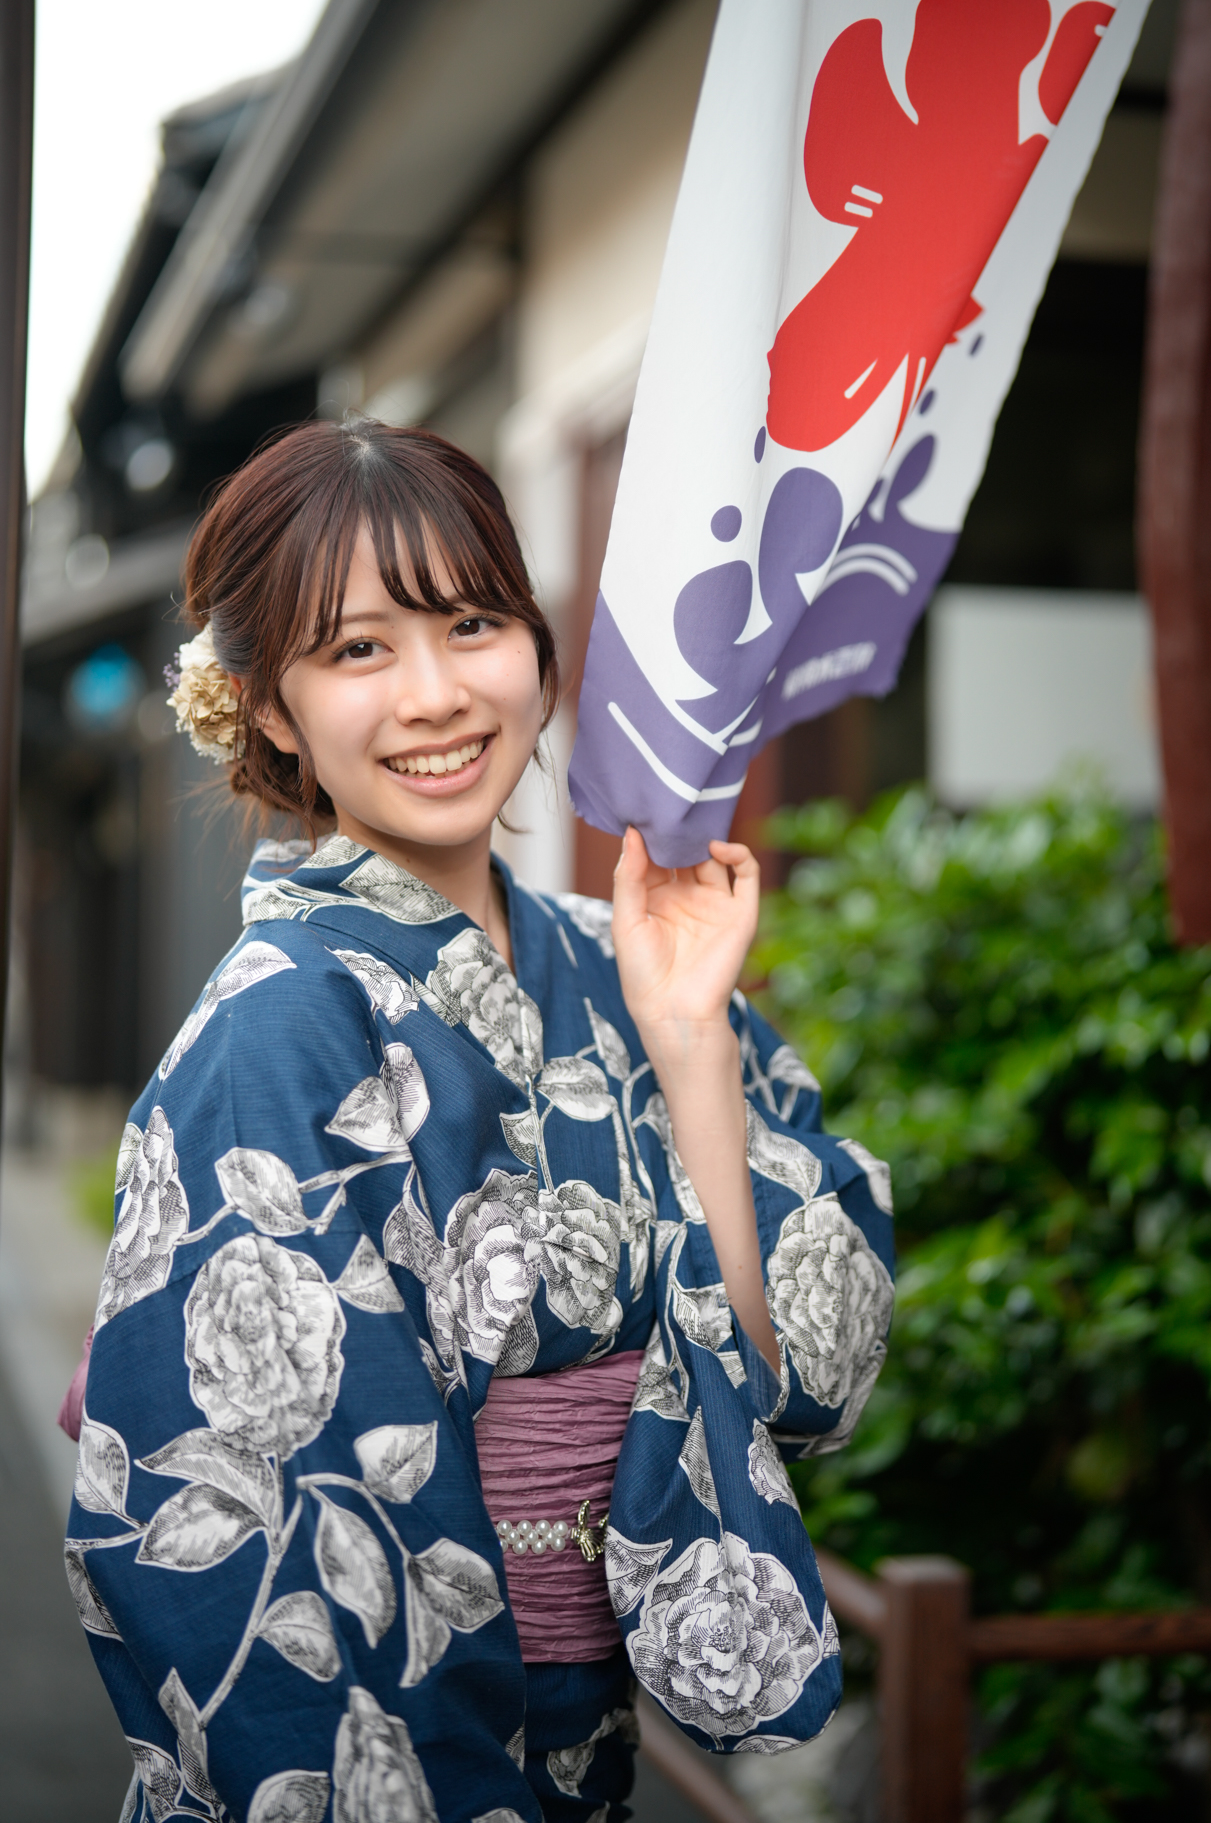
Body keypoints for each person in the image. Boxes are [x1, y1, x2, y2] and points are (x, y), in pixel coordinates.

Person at [65, 420, 895, 1823]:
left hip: (593, 1757)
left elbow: (794, 1389)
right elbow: (262, 1568)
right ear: (270, 707)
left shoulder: (616, 963)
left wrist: (692, 1041)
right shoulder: (279, 1025)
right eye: (358, 650)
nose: (439, 696)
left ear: (535, 640)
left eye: (472, 622)